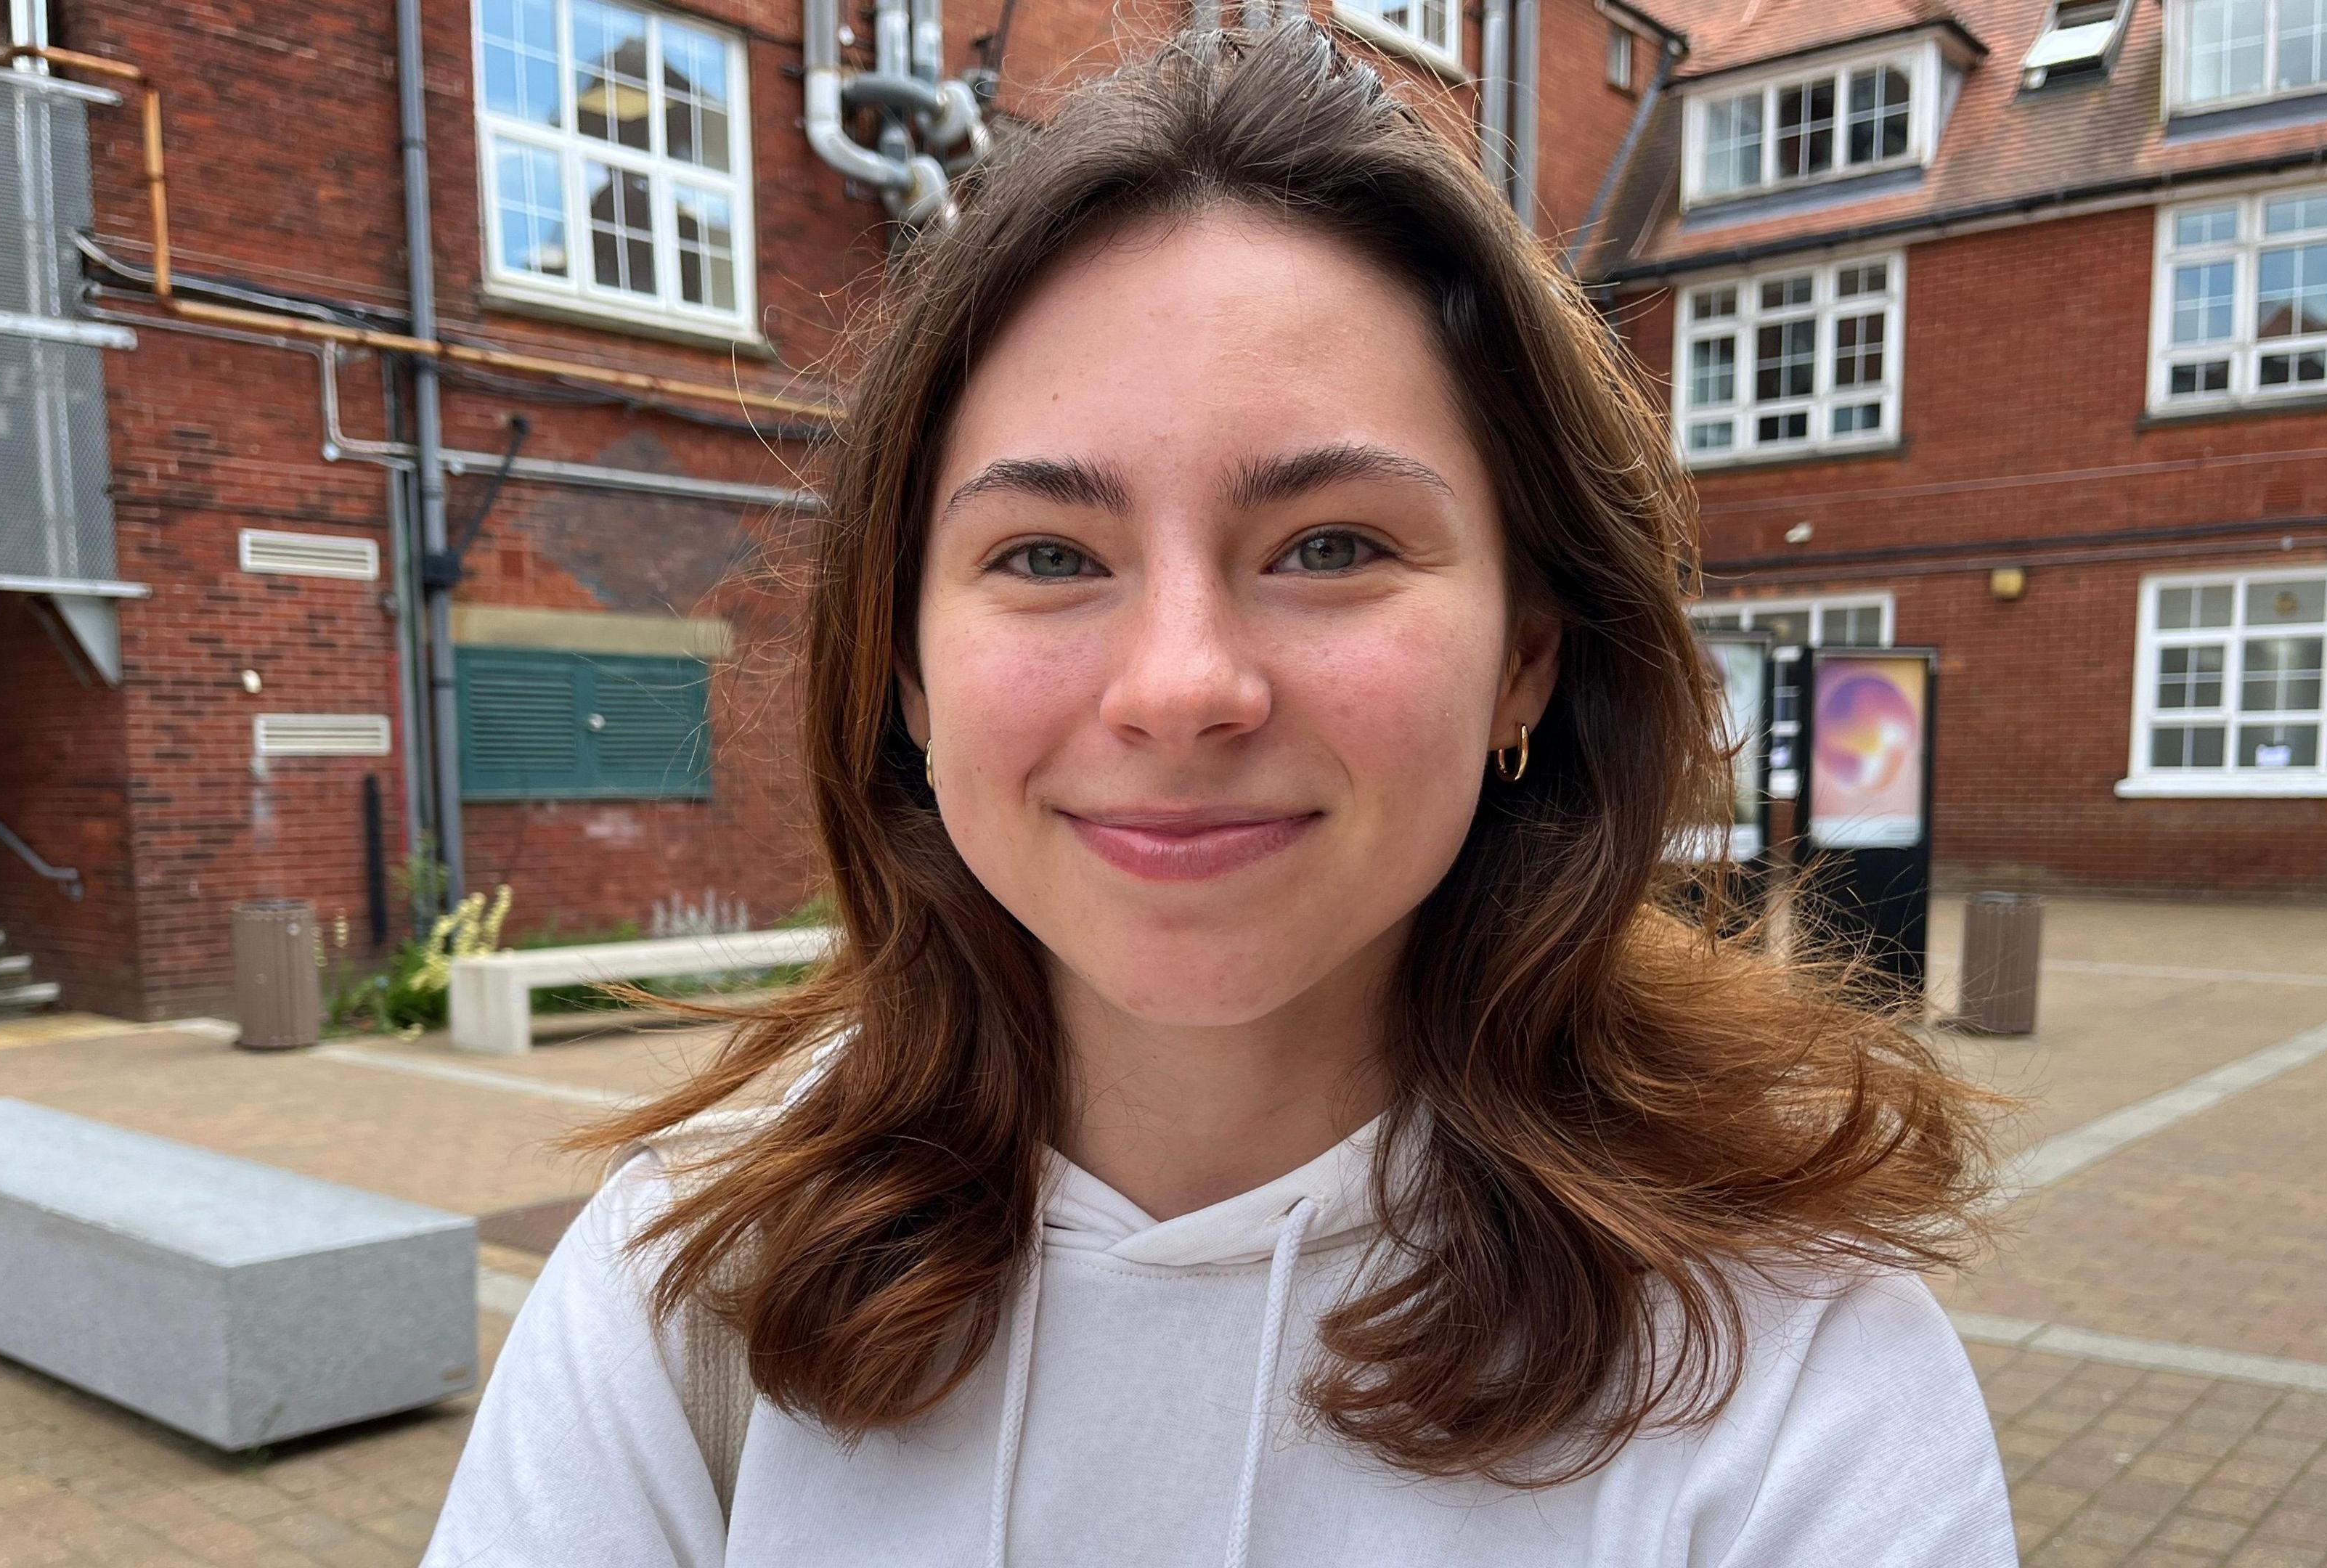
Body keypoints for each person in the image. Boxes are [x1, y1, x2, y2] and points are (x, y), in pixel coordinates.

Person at [424, 20, 2013, 1567]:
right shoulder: (685, 1300)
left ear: (1526, 656)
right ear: (908, 671)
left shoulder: (1790, 1368)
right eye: (1048, 556)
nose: (1182, 686)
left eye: (1332, 546)